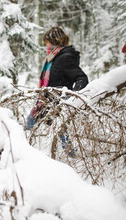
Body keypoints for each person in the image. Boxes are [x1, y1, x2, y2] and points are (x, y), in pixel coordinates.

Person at [26, 26, 88, 156]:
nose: (46, 46)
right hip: (46, 101)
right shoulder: (52, 58)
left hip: (57, 102)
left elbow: (81, 78)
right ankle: (71, 154)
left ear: (55, 41)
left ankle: (71, 155)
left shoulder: (64, 57)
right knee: (57, 129)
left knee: (59, 129)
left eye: (47, 42)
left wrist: (72, 97)